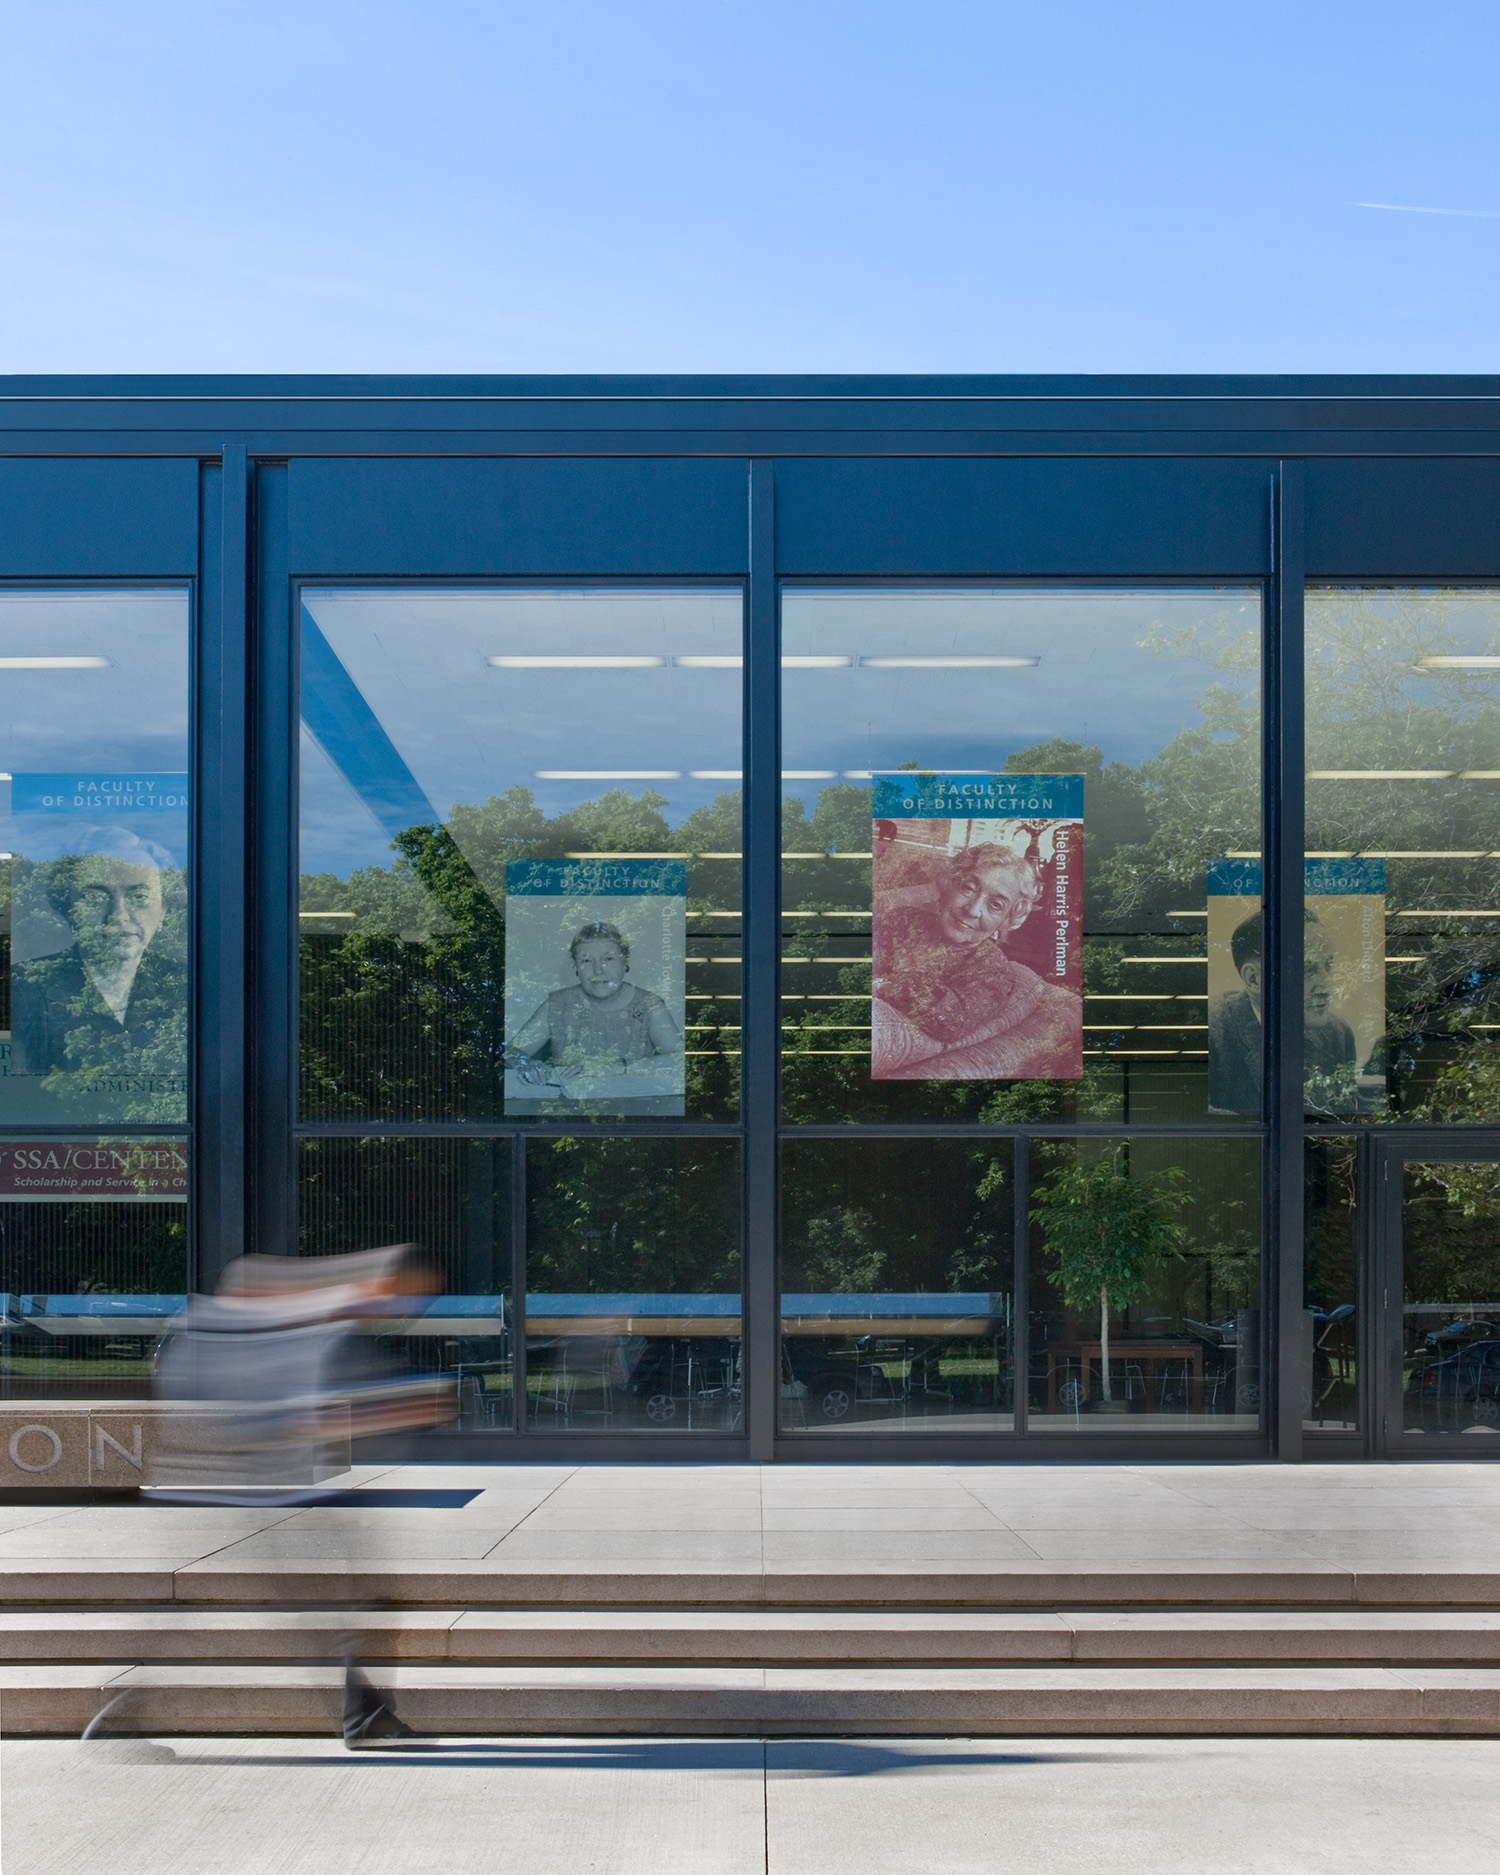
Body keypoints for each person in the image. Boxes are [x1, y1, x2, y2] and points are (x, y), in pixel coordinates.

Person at [151, 1246, 452, 1749]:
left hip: (287, 1488)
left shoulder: (333, 1319)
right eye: (413, 1297)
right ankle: (128, 1709)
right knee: (332, 1605)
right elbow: (278, 1417)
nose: (410, 1311)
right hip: (252, 1490)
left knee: (356, 1601)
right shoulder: (289, 1316)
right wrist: (401, 1409)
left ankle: (368, 1716)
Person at [871, 843, 1082, 1079]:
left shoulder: (991, 970)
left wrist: (886, 987)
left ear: (1006, 920)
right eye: (968, 888)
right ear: (949, 885)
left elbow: (951, 1020)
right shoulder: (902, 919)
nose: (972, 909)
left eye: (995, 905)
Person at [10, 827, 185, 1081]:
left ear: (163, 912)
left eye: (139, 896)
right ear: (68, 909)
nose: (118, 915)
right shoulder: (26, 985)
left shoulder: (187, 983)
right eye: (94, 897)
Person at [1209, 908, 1358, 1112]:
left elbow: (1343, 1117)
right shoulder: (1212, 1033)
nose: (1327, 984)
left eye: (1328, 965)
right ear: (1254, 979)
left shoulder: (1337, 1034)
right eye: (1307, 967)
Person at [507, 920, 681, 1092]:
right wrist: (527, 1064)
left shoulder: (649, 1004)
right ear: (576, 967)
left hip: (637, 1110)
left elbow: (679, 1058)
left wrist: (619, 1067)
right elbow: (512, 1052)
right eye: (587, 961)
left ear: (624, 963)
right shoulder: (558, 1004)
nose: (598, 970)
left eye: (608, 958)